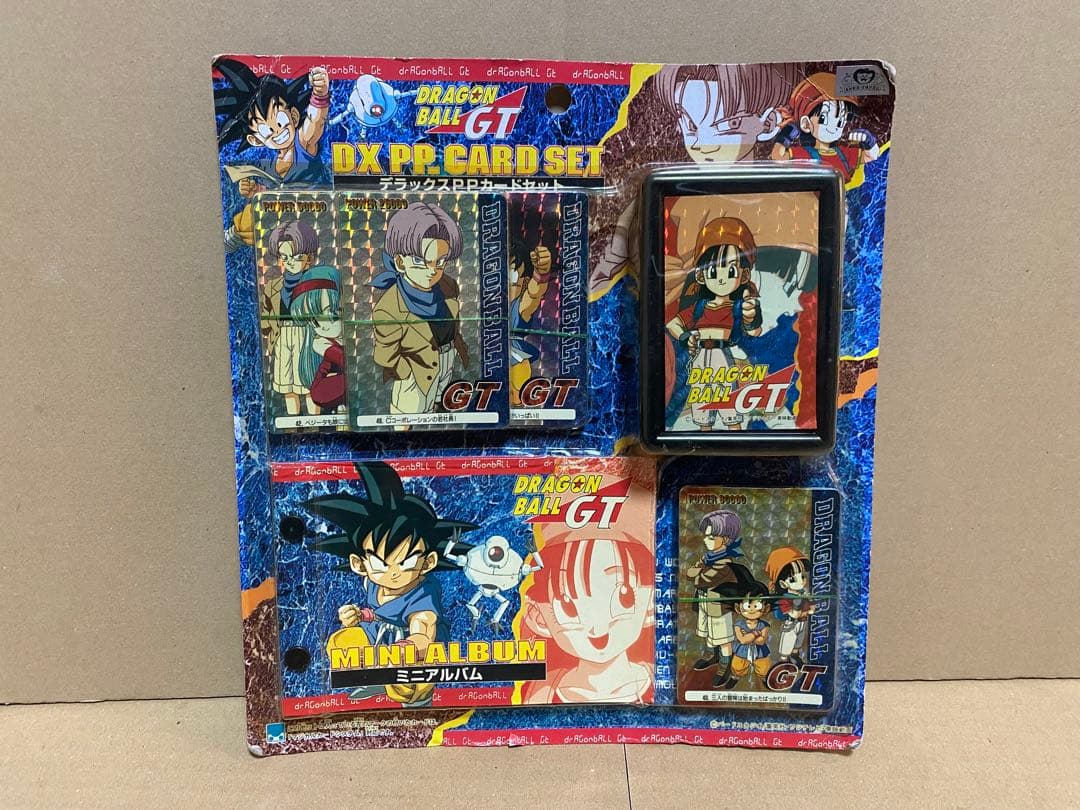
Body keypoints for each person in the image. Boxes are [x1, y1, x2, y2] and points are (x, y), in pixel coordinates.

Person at [305, 461, 477, 707]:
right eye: (380, 564)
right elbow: (378, 612)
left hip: (415, 648)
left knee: (408, 683)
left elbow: (423, 628)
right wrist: (357, 615)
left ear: (428, 562)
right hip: (379, 638)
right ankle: (376, 679)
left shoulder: (424, 593)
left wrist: (407, 648)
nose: (393, 573)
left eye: (406, 562)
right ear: (359, 564)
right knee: (339, 643)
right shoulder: (372, 581)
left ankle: (410, 694)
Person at [371, 203, 468, 418]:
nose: (432, 270)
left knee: (441, 412)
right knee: (406, 418)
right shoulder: (389, 308)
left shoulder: (447, 285)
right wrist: (407, 372)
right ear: (400, 262)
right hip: (415, 374)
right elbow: (384, 354)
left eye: (440, 262)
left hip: (447, 360)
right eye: (420, 261)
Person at [771, 71, 880, 182]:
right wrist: (786, 134)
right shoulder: (804, 154)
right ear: (806, 124)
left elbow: (871, 156)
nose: (834, 127)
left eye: (840, 121)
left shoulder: (844, 154)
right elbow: (778, 157)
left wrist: (869, 141)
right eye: (823, 118)